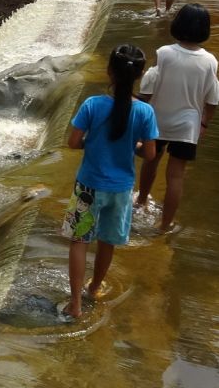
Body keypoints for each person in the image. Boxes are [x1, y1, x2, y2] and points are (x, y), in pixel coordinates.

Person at [62, 44, 159, 320]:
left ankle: (75, 304)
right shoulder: (144, 112)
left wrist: (91, 143)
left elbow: (73, 142)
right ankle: (93, 289)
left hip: (88, 186)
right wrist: (135, 145)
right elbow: (150, 154)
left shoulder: (92, 104)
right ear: (139, 76)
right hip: (121, 189)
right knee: (107, 241)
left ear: (109, 72)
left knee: (79, 241)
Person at [134, 4, 219, 232]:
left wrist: (137, 106)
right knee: (175, 177)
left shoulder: (164, 53)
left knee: (150, 162)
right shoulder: (210, 61)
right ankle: (166, 224)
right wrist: (204, 123)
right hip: (187, 126)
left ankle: (141, 201)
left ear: (178, 24)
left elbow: (148, 88)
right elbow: (213, 98)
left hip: (157, 120)